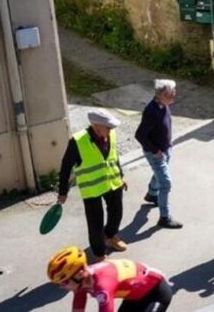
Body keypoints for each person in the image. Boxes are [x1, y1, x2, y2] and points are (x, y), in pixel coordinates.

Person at [56, 110, 128, 260]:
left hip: (113, 182)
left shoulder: (110, 134)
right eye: (108, 127)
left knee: (117, 213)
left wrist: (121, 177)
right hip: (92, 188)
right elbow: (65, 167)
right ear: (96, 126)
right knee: (95, 223)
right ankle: (99, 254)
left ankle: (109, 236)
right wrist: (63, 191)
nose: (111, 131)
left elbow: (114, 157)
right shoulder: (78, 141)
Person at [47, 246, 173, 311]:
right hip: (135, 297)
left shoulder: (103, 285)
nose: (62, 287)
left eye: (63, 283)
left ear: (79, 274)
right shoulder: (83, 281)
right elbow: (78, 305)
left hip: (157, 293)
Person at [135, 80, 182, 229]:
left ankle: (151, 194)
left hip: (165, 148)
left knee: (159, 174)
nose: (175, 94)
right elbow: (140, 135)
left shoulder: (164, 105)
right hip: (156, 153)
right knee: (166, 183)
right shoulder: (151, 111)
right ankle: (164, 217)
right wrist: (155, 150)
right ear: (163, 95)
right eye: (172, 92)